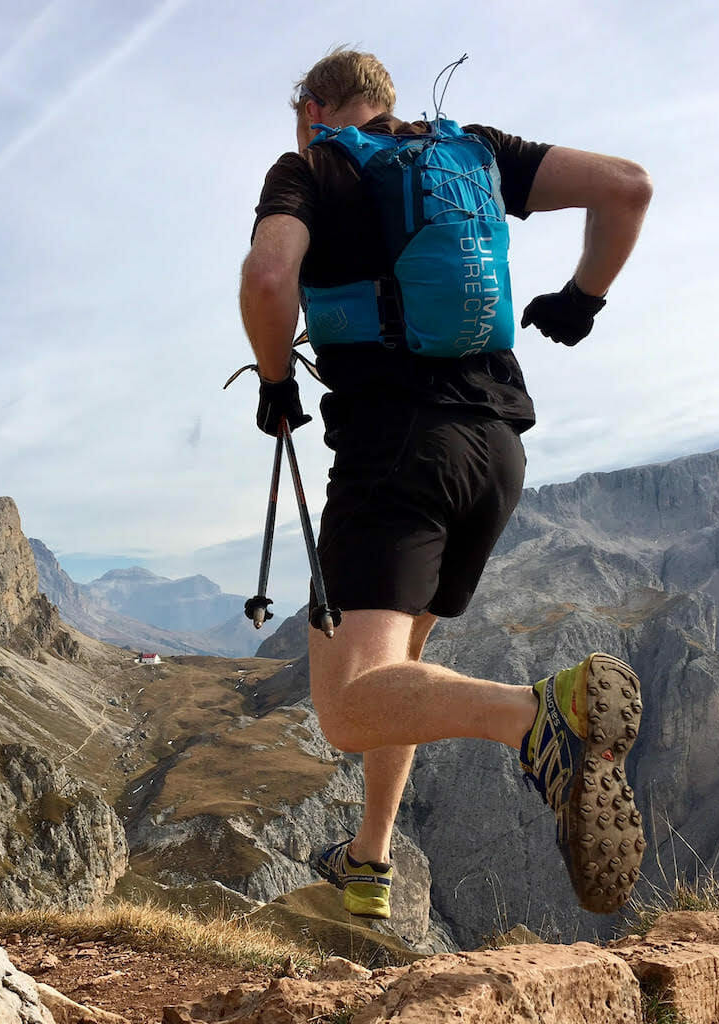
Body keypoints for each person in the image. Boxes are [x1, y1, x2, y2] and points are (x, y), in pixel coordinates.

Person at [238, 50, 653, 920]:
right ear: (388, 104)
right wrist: (583, 298)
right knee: (400, 667)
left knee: (349, 708)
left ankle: (543, 715)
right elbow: (627, 187)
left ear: (314, 108)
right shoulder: (474, 153)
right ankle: (368, 862)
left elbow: (270, 277)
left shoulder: (311, 165)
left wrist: (277, 382)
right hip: (498, 451)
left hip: (400, 453)